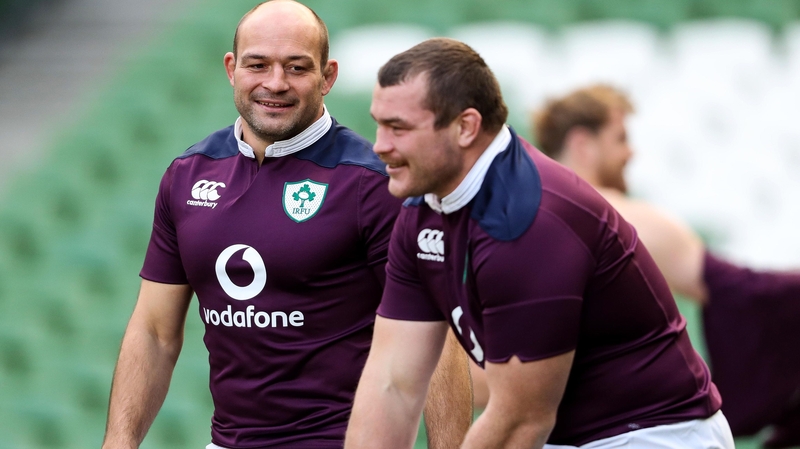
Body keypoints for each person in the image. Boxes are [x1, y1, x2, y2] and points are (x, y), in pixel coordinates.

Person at [100, 2, 472, 448]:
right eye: (258, 65)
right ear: (231, 69)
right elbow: (155, 332)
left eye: (296, 68)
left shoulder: (375, 183)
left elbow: (433, 336)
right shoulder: (188, 175)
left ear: (327, 76)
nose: (275, 83)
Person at [345, 37, 734, 449]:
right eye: (379, 124)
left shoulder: (527, 221)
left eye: (399, 128)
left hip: (651, 435)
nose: (380, 145)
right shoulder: (421, 208)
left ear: (465, 127)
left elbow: (520, 423)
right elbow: (392, 383)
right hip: (562, 435)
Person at [532, 84, 800, 448]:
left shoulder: (521, 222)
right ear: (583, 144)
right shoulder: (615, 213)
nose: (631, 151)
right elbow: (733, 288)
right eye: (620, 138)